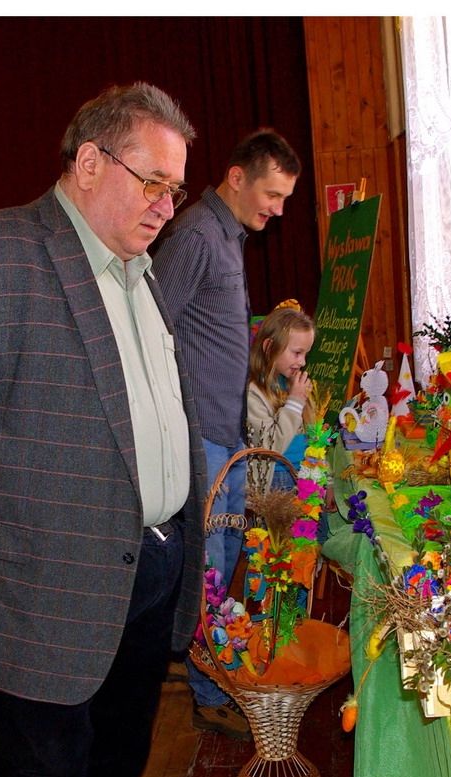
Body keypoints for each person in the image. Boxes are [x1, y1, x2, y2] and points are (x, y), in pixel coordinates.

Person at [0, 82, 207, 777]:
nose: (166, 206)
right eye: (152, 182)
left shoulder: (139, 272)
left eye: (175, 189)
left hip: (142, 588)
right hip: (30, 619)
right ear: (90, 163)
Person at [153, 129, 301, 739]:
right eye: (272, 195)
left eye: (285, 198)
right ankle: (211, 691)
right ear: (237, 178)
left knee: (226, 556)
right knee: (210, 568)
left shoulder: (229, 236)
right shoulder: (195, 235)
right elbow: (152, 324)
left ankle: (201, 665)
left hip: (226, 434)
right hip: (202, 439)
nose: (279, 210)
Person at [247, 305, 317, 489]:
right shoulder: (253, 393)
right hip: (276, 482)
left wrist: (327, 479)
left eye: (306, 354)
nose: (302, 362)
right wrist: (295, 403)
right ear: (270, 347)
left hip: (304, 476)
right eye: (297, 353)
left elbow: (314, 436)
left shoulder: (293, 384)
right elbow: (269, 447)